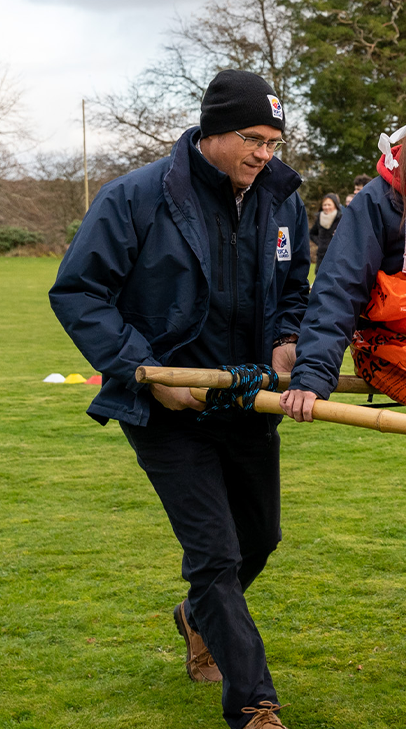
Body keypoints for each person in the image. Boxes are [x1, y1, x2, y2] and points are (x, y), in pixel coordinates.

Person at [50, 69, 308, 729]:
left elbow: (293, 291)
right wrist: (148, 371)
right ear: (213, 130)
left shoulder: (283, 199)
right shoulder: (135, 197)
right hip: (167, 408)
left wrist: (285, 341)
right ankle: (255, 705)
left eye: (275, 142)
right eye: (253, 138)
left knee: (261, 539)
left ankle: (196, 619)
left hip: (246, 399)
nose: (264, 154)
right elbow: (79, 292)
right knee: (216, 556)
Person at [308, 192, 343, 272]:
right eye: (324, 205)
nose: (326, 207)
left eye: (329, 204)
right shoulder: (319, 218)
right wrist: (320, 242)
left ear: (335, 205)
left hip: (336, 255)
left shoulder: (341, 218)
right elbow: (312, 233)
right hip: (321, 255)